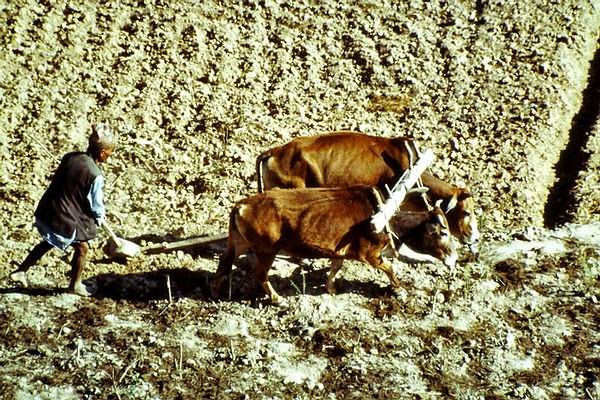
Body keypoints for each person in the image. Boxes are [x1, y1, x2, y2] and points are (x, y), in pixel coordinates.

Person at [10, 123, 116, 296]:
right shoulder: (95, 174)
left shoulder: (71, 157)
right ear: (103, 153)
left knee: (50, 240)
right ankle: (75, 285)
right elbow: (95, 204)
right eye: (110, 152)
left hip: (50, 207)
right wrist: (100, 216)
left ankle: (21, 270)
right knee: (82, 248)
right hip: (65, 214)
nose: (110, 156)